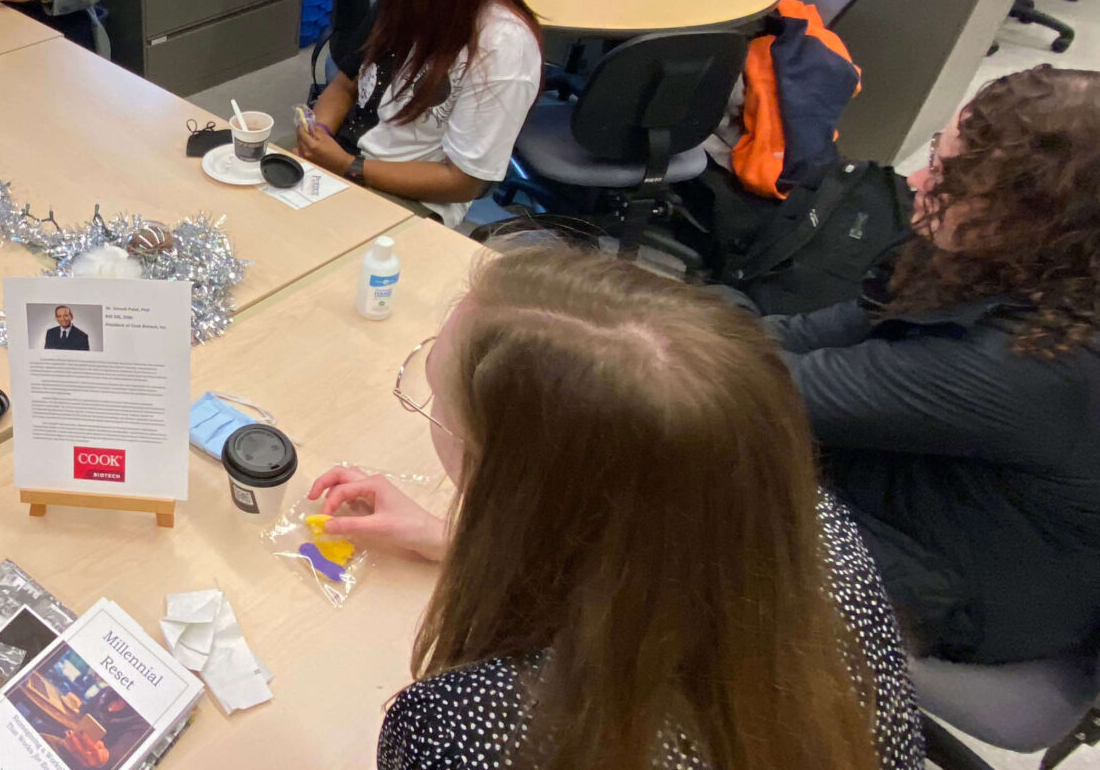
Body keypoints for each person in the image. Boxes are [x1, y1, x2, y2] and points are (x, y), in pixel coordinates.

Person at [307, 246, 921, 770]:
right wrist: (463, 539)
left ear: (512, 478)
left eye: (436, 401)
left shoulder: (477, 725)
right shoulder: (815, 527)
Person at [769, 65, 1100, 665]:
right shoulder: (1027, 264)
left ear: (1039, 214)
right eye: (937, 156)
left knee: (683, 480)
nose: (917, 180)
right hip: (925, 480)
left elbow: (765, 389)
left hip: (963, 577)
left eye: (950, 177)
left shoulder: (1025, 367)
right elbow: (812, 335)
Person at [297, 0, 542, 228]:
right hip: (349, 157)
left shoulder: (501, 47)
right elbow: (347, 82)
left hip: (408, 198)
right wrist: (321, 133)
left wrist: (348, 166)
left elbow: (463, 181)